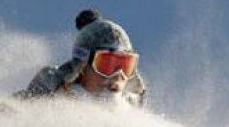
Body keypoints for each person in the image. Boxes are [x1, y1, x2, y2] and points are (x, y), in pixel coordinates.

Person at [15, 9, 147, 106]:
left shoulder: (130, 110)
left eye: (126, 65)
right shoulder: (44, 103)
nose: (118, 75)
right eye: (107, 64)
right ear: (82, 69)